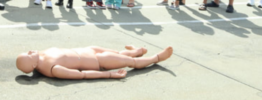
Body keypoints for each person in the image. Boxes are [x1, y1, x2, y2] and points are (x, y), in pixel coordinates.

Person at [16, 45, 173, 80]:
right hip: (98, 61)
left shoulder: (41, 55)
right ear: (33, 66)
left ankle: (137, 51)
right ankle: (156, 58)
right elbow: (82, 75)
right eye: (29, 56)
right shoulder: (53, 69)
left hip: (89, 50)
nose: (30, 51)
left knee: (118, 53)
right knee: (128, 62)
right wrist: (110, 74)